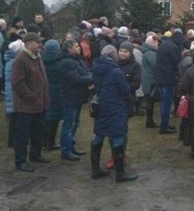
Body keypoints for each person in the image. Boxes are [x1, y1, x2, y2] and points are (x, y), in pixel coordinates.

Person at [90, 45, 137, 182]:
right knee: (117, 137)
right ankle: (120, 173)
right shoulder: (116, 71)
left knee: (98, 136)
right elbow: (126, 90)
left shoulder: (95, 67)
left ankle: (95, 170)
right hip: (115, 108)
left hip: (101, 107)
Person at [12, 32, 51, 172]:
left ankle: (35, 154)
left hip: (40, 104)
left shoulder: (37, 57)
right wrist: (33, 97)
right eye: (37, 42)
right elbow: (18, 84)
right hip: (26, 106)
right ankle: (20, 161)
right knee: (22, 135)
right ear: (29, 44)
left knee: (38, 132)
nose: (40, 45)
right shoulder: (21, 60)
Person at [56, 39, 92, 161]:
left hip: (78, 96)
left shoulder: (77, 60)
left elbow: (86, 73)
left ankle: (71, 146)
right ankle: (66, 150)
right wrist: (91, 80)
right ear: (69, 49)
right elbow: (75, 79)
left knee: (75, 123)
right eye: (76, 46)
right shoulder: (66, 62)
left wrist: (88, 78)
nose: (79, 48)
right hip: (70, 97)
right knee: (69, 124)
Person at [155, 29, 185, 134]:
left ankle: (165, 123)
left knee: (163, 102)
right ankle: (164, 127)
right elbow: (177, 63)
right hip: (168, 79)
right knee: (167, 104)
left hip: (160, 77)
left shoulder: (164, 44)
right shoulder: (174, 47)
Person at [42, 40, 63, 151]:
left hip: (44, 91)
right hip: (56, 92)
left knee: (46, 117)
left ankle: (43, 140)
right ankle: (50, 143)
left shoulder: (41, 60)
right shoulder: (57, 63)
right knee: (54, 118)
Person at [141, 34, 160, 129]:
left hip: (146, 79)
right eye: (156, 42)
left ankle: (149, 120)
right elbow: (156, 66)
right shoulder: (151, 54)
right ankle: (150, 121)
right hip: (150, 80)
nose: (157, 44)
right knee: (150, 101)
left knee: (149, 101)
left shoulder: (147, 52)